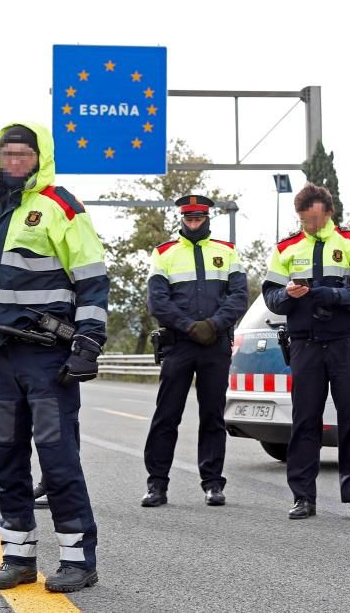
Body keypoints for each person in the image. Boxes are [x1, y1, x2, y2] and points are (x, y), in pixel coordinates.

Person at [0, 122, 108, 594]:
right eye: (8, 154)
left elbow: (91, 278)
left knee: (58, 458)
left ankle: (77, 561)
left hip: (47, 358)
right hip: (0, 358)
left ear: (39, 157)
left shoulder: (61, 206)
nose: (15, 161)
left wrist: (88, 343)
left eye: (23, 154)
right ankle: (18, 558)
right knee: (4, 458)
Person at [261, 183, 350, 521]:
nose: (309, 226)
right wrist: (288, 296)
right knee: (304, 421)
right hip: (305, 344)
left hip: (346, 343)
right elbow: (270, 296)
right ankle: (302, 497)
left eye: (313, 219)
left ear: (329, 212)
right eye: (303, 221)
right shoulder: (285, 248)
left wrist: (332, 296)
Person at [141, 195, 248, 507]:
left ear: (207, 218)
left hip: (215, 344)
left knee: (212, 415)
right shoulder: (164, 253)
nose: (193, 223)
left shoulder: (226, 252)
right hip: (180, 343)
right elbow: (157, 301)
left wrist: (213, 325)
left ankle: (213, 483)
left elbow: (239, 296)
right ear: (181, 218)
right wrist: (189, 326)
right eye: (189, 218)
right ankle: (157, 485)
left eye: (199, 218)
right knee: (166, 415)